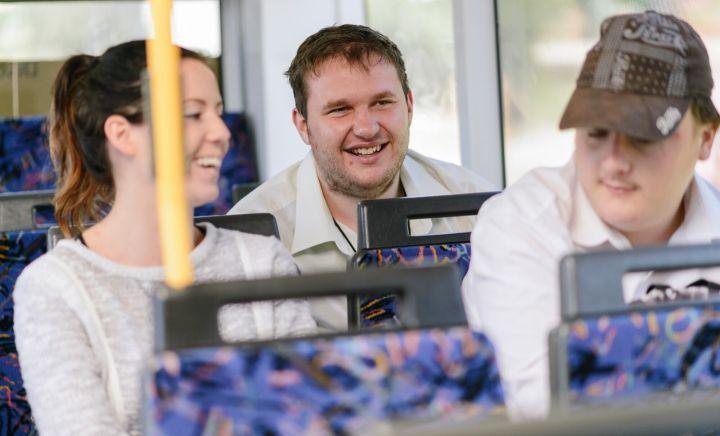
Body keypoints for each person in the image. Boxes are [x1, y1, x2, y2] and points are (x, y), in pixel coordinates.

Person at [13, 40, 316, 435]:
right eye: (193, 114)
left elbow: (308, 416)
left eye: (219, 113)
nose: (222, 133)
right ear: (123, 134)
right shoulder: (54, 290)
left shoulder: (263, 263)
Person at [462, 11, 720, 420]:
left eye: (642, 135)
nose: (614, 162)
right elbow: (550, 412)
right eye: (596, 132)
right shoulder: (519, 228)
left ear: (705, 139)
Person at [229, 24, 495, 329]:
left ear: (409, 106)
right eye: (340, 109)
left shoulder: (478, 206)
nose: (366, 128)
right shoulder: (249, 244)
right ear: (302, 125)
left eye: (382, 102)